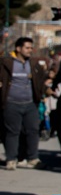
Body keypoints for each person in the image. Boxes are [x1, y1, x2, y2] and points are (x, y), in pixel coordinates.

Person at [2, 36, 46, 169]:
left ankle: (33, 158)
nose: (30, 50)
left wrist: (44, 91)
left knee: (33, 130)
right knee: (12, 132)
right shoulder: (7, 63)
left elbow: (40, 80)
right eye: (27, 48)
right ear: (18, 48)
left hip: (30, 103)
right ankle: (11, 159)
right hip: (11, 103)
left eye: (31, 48)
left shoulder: (33, 64)